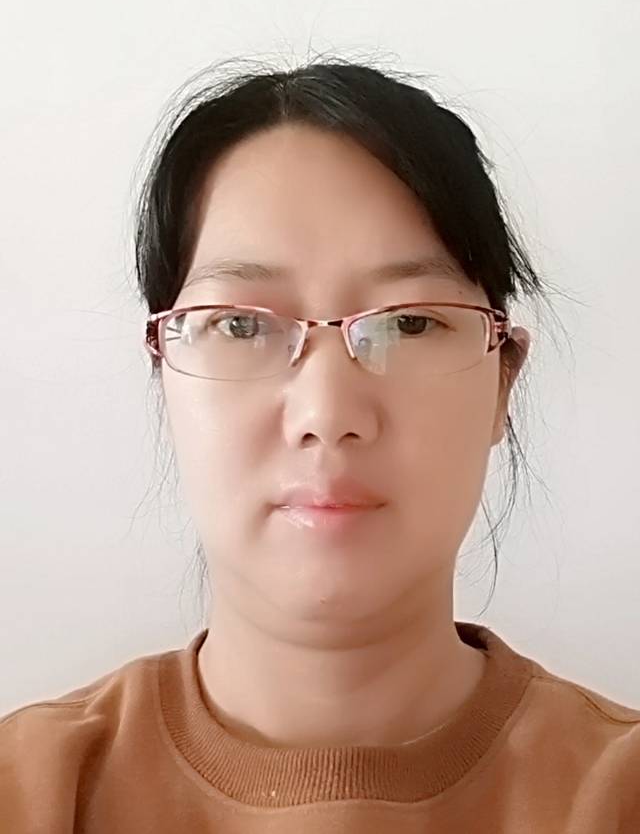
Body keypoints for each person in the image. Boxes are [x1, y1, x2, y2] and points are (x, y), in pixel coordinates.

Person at [2, 57, 639, 832]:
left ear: (503, 380)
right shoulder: (32, 793)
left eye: (409, 323)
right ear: (164, 374)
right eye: (241, 325)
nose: (326, 412)